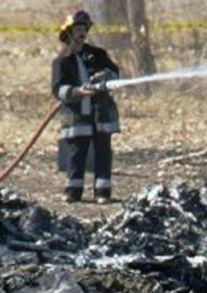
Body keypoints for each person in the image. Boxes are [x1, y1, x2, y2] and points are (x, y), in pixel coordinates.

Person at [51, 9, 120, 204]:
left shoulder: (98, 54)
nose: (81, 33)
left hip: (100, 113)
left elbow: (115, 73)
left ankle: (102, 192)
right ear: (68, 34)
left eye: (84, 28)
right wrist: (77, 92)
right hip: (77, 115)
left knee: (103, 151)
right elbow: (58, 88)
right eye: (77, 29)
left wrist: (105, 75)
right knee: (77, 153)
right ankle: (73, 191)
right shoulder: (62, 61)